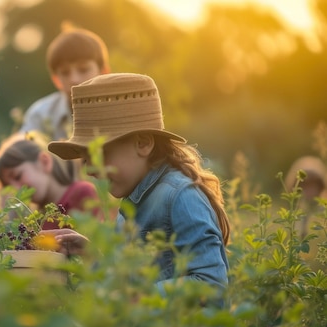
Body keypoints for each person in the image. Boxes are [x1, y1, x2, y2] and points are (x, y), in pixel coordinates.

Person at [44, 73, 230, 295]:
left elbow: (212, 285)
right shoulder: (132, 201)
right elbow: (129, 280)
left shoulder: (180, 196)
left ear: (143, 143)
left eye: (99, 153)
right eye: (85, 158)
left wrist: (137, 299)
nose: (89, 169)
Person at [18, 25, 110, 141]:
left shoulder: (123, 109)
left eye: (83, 69)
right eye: (65, 73)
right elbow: (22, 151)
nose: (74, 79)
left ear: (104, 72)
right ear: (56, 80)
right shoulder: (41, 114)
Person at [0, 132, 98, 230]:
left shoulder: (82, 193)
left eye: (18, 176)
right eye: (9, 186)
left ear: (45, 162)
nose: (16, 190)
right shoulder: (35, 221)